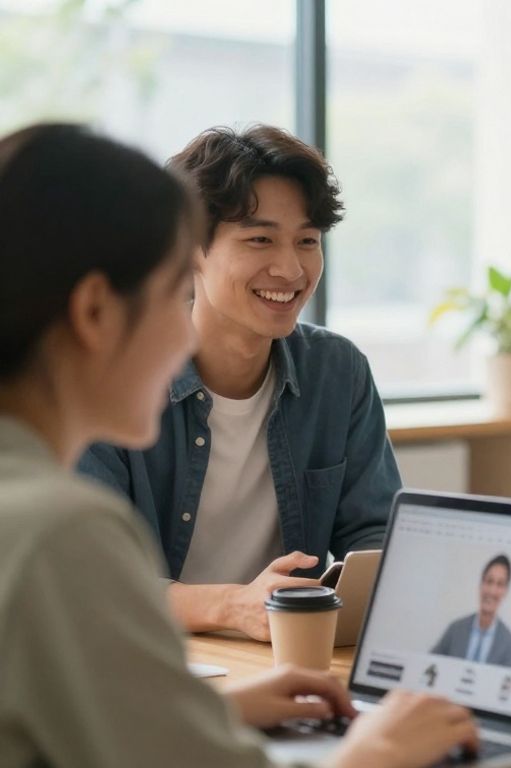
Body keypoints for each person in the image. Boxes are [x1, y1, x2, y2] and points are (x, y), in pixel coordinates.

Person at [0, 123, 476, 767]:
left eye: (307, 241)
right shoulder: (61, 531)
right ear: (94, 313)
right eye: (172, 294)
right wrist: (377, 754)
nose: (181, 339)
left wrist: (218, 712)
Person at [78, 125, 399, 641]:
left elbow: (378, 536)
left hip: (283, 657)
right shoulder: (112, 379)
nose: (291, 268)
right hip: (152, 659)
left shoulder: (338, 372)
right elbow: (92, 582)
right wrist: (234, 607)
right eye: (260, 239)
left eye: (307, 242)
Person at [432, 554, 511, 667]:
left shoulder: (507, 641)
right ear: (481, 585)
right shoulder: (455, 629)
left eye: (500, 584)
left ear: (505, 591)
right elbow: (429, 665)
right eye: (489, 581)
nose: (492, 591)